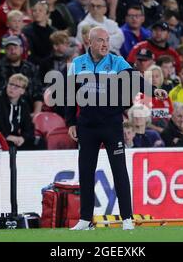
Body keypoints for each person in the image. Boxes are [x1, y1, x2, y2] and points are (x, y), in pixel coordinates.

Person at [66, 27, 168, 231]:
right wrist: (71, 122)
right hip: (86, 126)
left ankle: (127, 219)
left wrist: (153, 91)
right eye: (101, 41)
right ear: (90, 42)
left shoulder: (116, 61)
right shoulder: (77, 64)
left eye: (107, 40)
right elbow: (69, 94)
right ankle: (86, 219)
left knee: (119, 170)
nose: (105, 45)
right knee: (86, 171)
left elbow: (136, 79)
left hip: (111, 124)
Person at [0, 36, 43, 115]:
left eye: (15, 47)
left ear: (21, 50)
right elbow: (0, 94)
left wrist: (36, 113)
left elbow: (38, 93)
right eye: (9, 48)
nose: (13, 51)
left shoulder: (31, 68)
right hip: (6, 112)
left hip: (30, 111)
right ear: (5, 51)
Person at [0, 73, 36, 150]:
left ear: (22, 91)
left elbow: (28, 127)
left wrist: (23, 138)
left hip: (16, 139)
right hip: (0, 137)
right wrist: (7, 137)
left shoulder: (23, 104)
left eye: (16, 86)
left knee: (39, 142)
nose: (12, 88)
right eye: (10, 84)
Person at [22, 1, 57, 66]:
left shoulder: (54, 32)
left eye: (40, 10)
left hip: (52, 65)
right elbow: (29, 53)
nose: (37, 13)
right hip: (34, 65)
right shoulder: (26, 31)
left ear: (47, 14)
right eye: (35, 11)